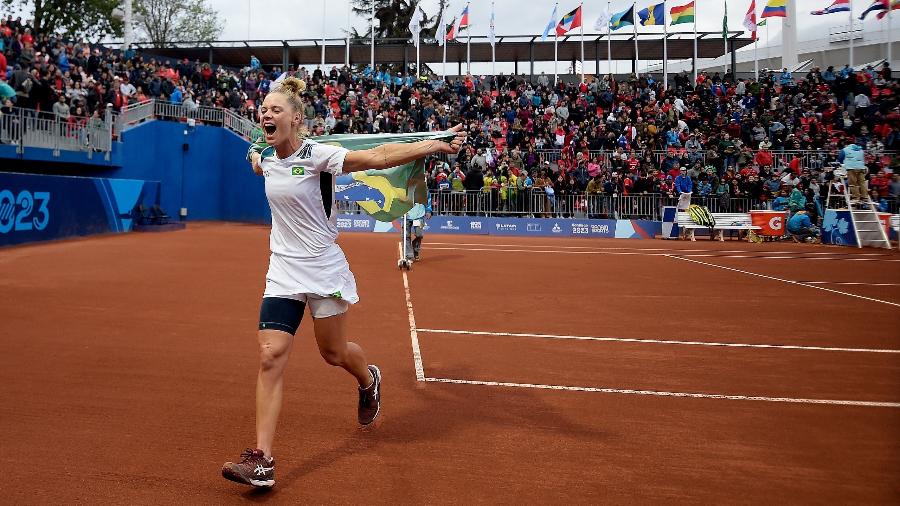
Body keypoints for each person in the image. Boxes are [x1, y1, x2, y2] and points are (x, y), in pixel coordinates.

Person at [222, 77, 465, 488]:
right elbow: (257, 159)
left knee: (333, 353)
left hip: (322, 268)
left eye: (275, 110)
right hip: (282, 269)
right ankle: (262, 460)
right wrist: (252, 152)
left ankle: (368, 378)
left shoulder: (319, 155)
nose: (266, 114)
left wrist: (432, 145)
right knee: (270, 355)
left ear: (296, 119)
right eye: (263, 109)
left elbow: (378, 156)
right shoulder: (265, 155)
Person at [838, 140, 868, 206]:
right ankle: (865, 197)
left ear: (846, 144)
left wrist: (843, 163)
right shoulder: (860, 150)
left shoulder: (844, 150)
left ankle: (856, 197)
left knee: (853, 183)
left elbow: (840, 159)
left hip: (851, 168)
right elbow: (863, 158)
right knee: (862, 183)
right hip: (861, 168)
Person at [404, 193, 432, 262]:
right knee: (406, 236)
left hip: (420, 216)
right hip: (406, 216)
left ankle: (415, 249)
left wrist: (428, 211)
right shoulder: (405, 186)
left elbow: (428, 200)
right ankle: (409, 255)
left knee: (420, 235)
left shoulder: (424, 188)